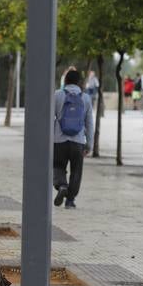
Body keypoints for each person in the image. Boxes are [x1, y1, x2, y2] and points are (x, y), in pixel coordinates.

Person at [53, 68, 94, 209]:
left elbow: (49, 119)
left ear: (65, 80)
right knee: (76, 171)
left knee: (58, 166)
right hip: (78, 141)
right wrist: (89, 144)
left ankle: (62, 185)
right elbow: (89, 123)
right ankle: (70, 200)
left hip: (59, 140)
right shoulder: (86, 98)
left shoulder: (57, 95)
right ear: (79, 82)